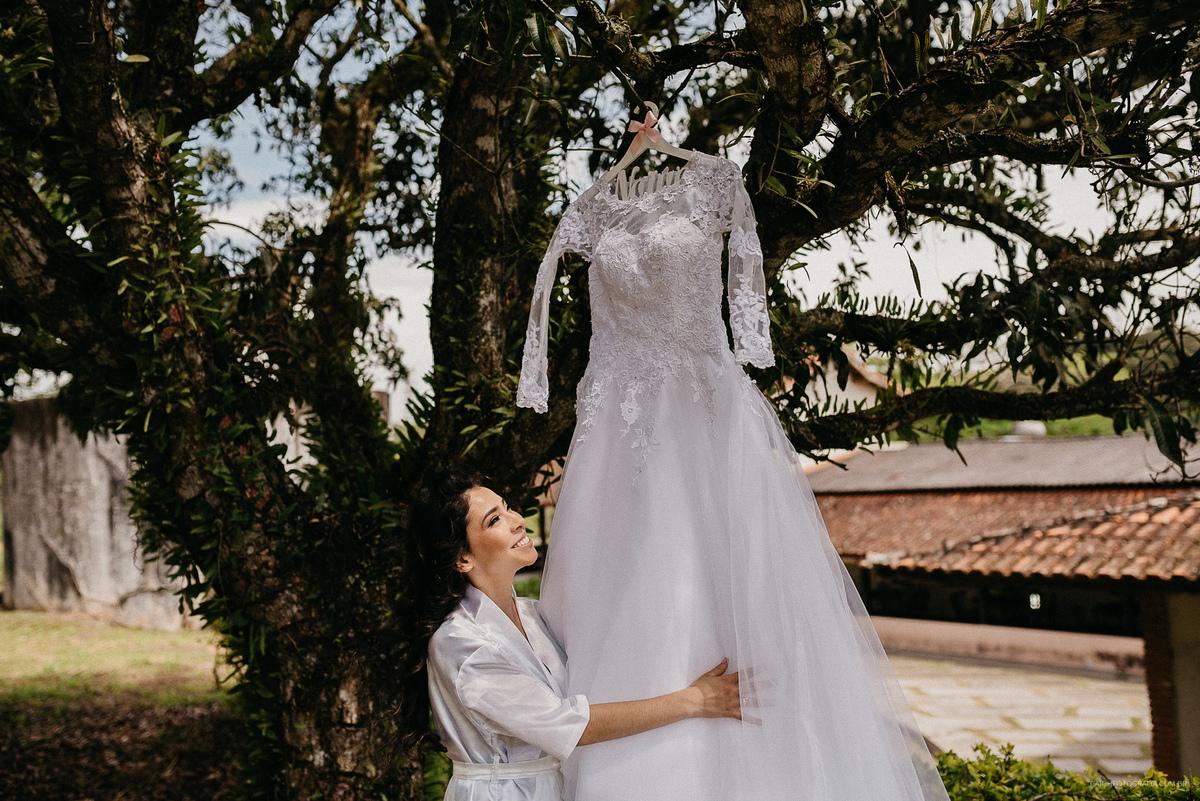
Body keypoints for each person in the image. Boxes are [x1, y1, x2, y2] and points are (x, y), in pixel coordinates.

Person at [516, 135, 951, 800]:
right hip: (615, 445)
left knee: (729, 594)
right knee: (624, 598)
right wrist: (538, 381)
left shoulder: (716, 184)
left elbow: (745, 296)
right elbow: (541, 303)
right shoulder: (589, 210)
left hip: (704, 416)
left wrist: (748, 342)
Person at [411, 470, 742, 801]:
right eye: (494, 519)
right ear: (463, 558)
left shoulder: (532, 613)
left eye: (508, 506)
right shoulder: (460, 642)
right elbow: (570, 726)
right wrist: (695, 700)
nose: (516, 520)